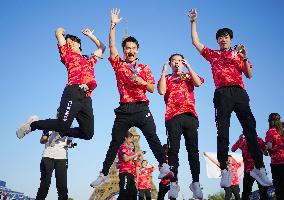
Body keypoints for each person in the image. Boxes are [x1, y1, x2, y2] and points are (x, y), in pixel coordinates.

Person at [188, 8, 272, 188]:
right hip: (222, 94)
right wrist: (193, 22)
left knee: (250, 129)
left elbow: (249, 74)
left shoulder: (238, 54)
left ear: (230, 39)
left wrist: (245, 57)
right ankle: (225, 170)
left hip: (239, 93)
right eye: (220, 37)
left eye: (226, 36)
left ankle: (259, 168)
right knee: (223, 132)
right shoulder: (213, 55)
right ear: (217, 41)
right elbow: (195, 42)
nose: (223, 39)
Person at [90, 8, 172, 188]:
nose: (131, 51)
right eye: (128, 48)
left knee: (152, 137)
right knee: (115, 142)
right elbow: (111, 46)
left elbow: (152, 88)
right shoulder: (118, 64)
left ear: (137, 50)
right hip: (124, 109)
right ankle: (104, 174)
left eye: (134, 48)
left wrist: (142, 81)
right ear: (124, 50)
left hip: (142, 108)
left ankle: (164, 166)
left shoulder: (144, 67)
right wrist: (112, 25)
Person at [16, 27, 106, 140]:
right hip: (73, 91)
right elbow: (58, 33)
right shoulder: (67, 55)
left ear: (79, 44)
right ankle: (33, 124)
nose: (70, 44)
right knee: (62, 125)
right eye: (68, 43)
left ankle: (61, 132)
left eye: (73, 42)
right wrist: (60, 31)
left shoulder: (89, 60)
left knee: (88, 133)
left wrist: (90, 35)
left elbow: (102, 47)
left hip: (86, 97)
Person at [157, 54, 203, 199]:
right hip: (172, 117)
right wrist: (163, 72)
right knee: (173, 151)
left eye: (179, 61)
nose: (176, 63)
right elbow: (161, 91)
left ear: (182, 63)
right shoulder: (167, 78)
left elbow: (199, 83)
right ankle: (174, 183)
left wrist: (189, 66)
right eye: (173, 61)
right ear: (170, 63)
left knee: (193, 151)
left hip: (190, 116)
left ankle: (195, 182)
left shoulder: (188, 75)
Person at [35, 128, 74, 200]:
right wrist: (45, 136)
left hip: (62, 158)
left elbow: (69, 142)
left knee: (62, 186)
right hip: (47, 156)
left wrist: (70, 144)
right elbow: (42, 141)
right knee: (45, 184)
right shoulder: (49, 125)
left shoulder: (70, 128)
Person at [232, 134, 269, 200]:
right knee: (263, 191)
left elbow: (233, 149)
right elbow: (266, 153)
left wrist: (239, 139)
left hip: (248, 170)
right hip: (259, 168)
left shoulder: (243, 141)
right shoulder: (259, 140)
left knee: (246, 192)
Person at [116, 131, 143, 200]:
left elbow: (134, 162)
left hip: (131, 174)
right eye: (130, 138)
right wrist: (136, 154)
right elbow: (125, 159)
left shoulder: (129, 149)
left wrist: (139, 158)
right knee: (124, 193)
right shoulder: (123, 147)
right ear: (126, 138)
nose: (132, 140)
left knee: (133, 194)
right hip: (125, 172)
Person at [265, 113, 284, 200]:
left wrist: (266, 151)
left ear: (270, 121)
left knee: (279, 187)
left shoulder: (271, 131)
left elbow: (269, 146)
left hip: (276, 163)